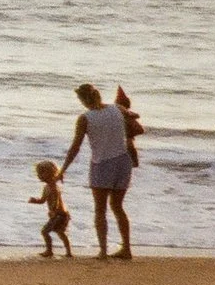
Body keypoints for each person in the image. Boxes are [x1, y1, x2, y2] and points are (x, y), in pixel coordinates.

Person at [58, 83, 137, 260]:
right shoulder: (117, 109)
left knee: (100, 210)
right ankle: (127, 249)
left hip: (102, 164)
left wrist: (63, 169)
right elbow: (133, 119)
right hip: (123, 161)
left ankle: (102, 252)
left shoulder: (85, 118)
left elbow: (75, 147)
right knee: (118, 207)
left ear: (84, 99)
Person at [30, 161, 73, 258]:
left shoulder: (53, 187)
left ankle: (51, 251)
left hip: (60, 214)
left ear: (50, 173)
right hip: (57, 214)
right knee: (59, 232)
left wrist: (54, 210)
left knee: (46, 231)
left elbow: (56, 199)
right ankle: (66, 252)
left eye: (41, 173)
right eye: (38, 173)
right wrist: (35, 200)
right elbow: (43, 200)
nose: (39, 175)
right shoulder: (46, 187)